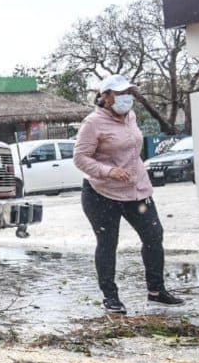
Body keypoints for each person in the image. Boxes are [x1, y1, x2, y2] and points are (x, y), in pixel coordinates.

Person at [74, 75, 183, 314]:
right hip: (101, 193)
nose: (126, 97)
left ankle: (156, 290)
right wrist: (108, 171)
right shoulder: (92, 123)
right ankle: (110, 296)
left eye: (129, 92)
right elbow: (80, 158)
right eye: (120, 93)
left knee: (154, 235)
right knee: (107, 242)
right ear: (105, 96)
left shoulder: (131, 117)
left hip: (137, 191)